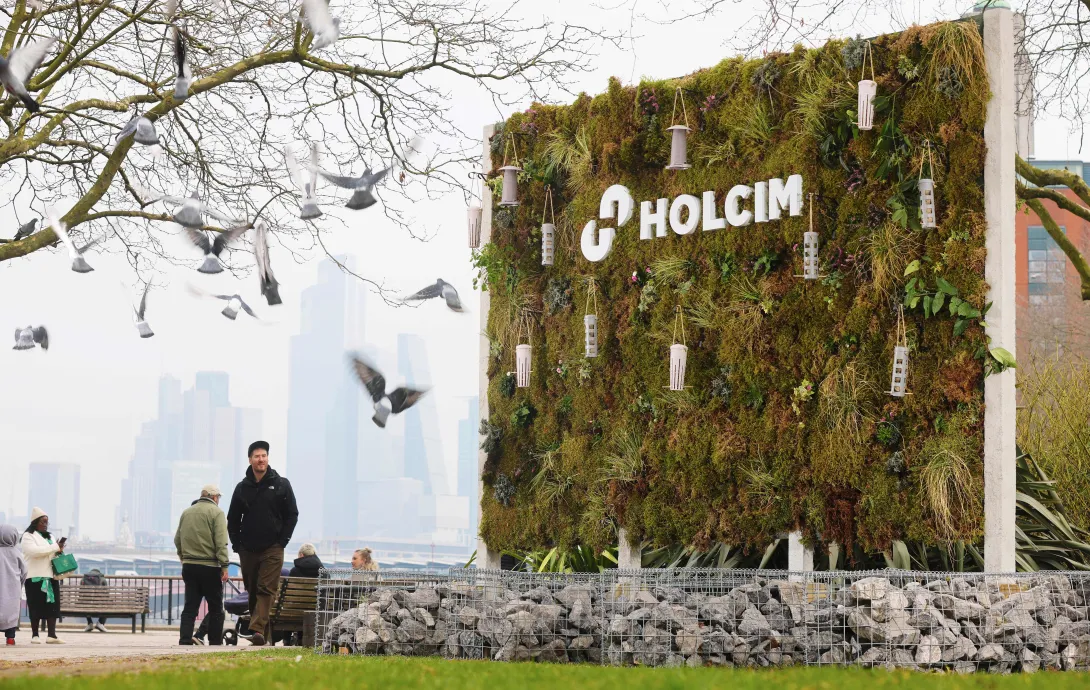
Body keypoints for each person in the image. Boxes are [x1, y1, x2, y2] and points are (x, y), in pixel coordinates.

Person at [227, 440, 298, 647]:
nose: (261, 459)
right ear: (250, 460)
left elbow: (292, 514)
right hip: (247, 549)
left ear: (268, 459)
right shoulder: (242, 488)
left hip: (273, 548)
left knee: (266, 589)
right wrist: (236, 544)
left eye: (264, 456)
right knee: (253, 590)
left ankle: (256, 628)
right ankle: (264, 638)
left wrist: (282, 540)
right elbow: (233, 518)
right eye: (257, 456)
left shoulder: (281, 484)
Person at [175, 484, 229, 646]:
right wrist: (224, 566)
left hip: (189, 566)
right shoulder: (216, 513)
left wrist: (183, 558)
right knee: (216, 608)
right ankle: (214, 641)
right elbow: (221, 542)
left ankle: (184, 640)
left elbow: (178, 539)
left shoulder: (186, 512)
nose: (218, 500)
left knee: (190, 606)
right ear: (214, 497)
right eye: (218, 497)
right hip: (210, 567)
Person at [20, 507, 67, 644]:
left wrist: (59, 550)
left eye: (47, 522)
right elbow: (35, 552)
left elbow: (50, 553)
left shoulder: (51, 537)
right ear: (35, 522)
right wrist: (54, 547)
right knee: (35, 606)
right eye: (43, 521)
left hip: (50, 576)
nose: (46, 524)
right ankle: (35, 635)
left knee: (52, 607)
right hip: (35, 577)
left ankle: (52, 635)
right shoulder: (28, 536)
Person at [0, 525, 28, 646]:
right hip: (12, 588)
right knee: (11, 612)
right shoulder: (17, 553)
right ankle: (10, 638)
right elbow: (24, 572)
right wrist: (19, 583)